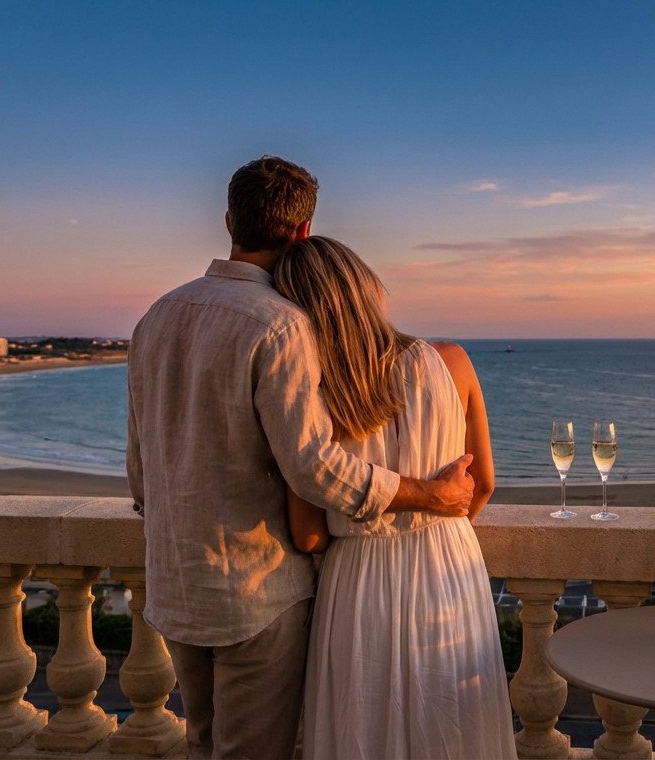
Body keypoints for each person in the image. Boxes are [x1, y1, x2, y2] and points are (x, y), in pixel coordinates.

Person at [126, 156, 475, 760]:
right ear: (303, 232)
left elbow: (139, 461)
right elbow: (313, 466)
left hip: (176, 582)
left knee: (202, 743)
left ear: (229, 219)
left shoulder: (157, 316)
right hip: (256, 589)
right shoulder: (281, 325)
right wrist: (428, 494)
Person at [274, 236, 516, 760]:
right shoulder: (452, 360)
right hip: (448, 565)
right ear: (369, 289)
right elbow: (486, 482)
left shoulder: (313, 394)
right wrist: (441, 523)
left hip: (358, 579)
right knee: (452, 720)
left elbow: (308, 534)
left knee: (364, 728)